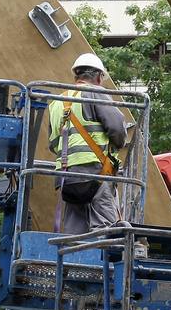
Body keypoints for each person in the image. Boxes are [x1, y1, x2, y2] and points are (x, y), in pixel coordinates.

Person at [49, 52, 128, 234]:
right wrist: (117, 144)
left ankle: (70, 261)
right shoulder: (95, 92)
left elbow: (53, 144)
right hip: (96, 172)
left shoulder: (57, 103)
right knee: (105, 230)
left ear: (76, 75)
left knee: (73, 233)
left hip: (67, 175)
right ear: (99, 77)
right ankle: (102, 260)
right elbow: (117, 129)